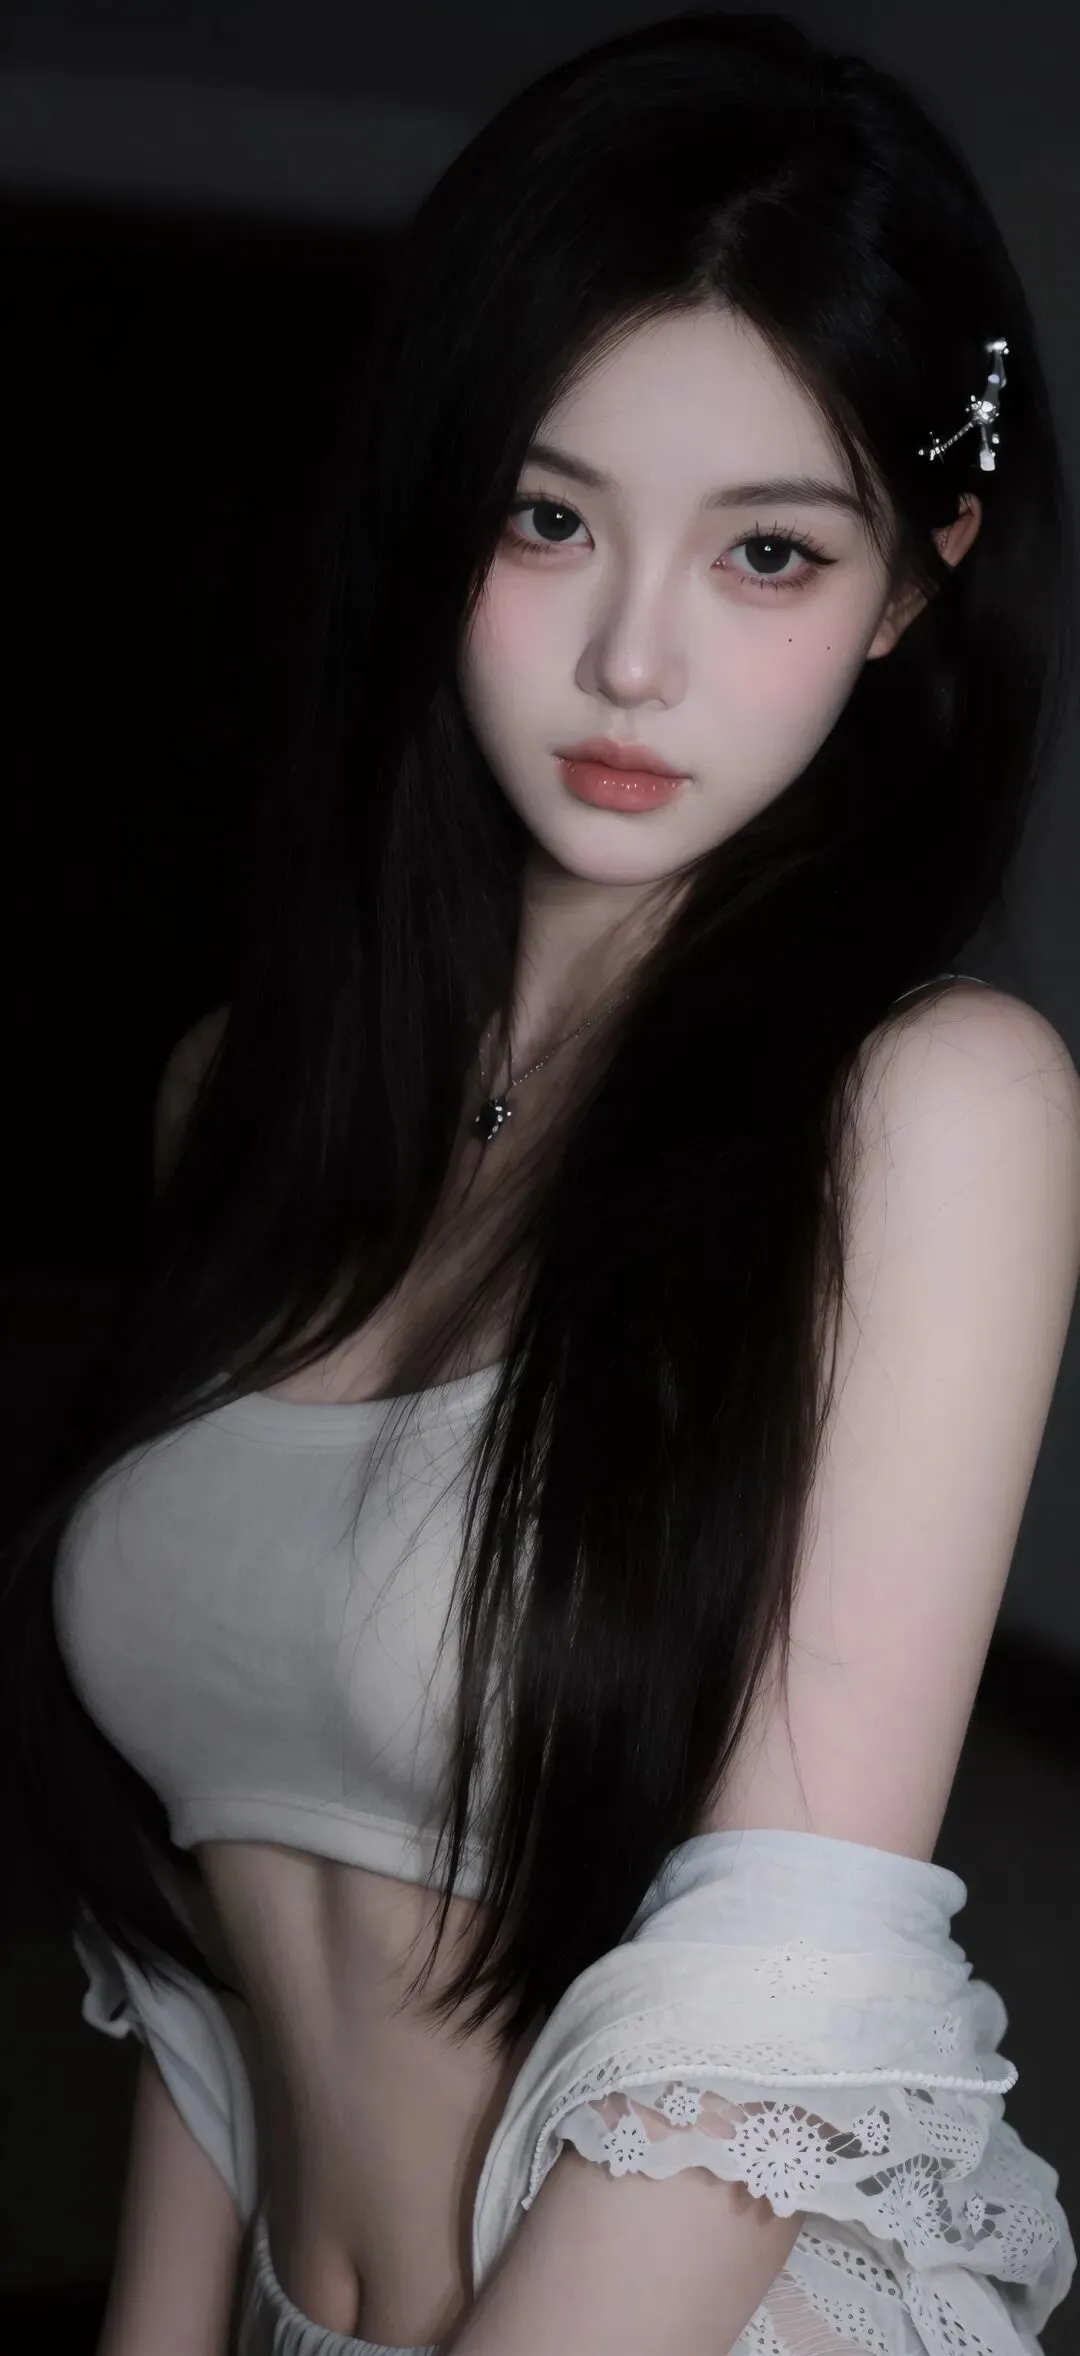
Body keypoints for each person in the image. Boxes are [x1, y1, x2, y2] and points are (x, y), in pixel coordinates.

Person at [3, 10, 1079, 2353]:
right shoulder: (245, 1097)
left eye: (768, 550)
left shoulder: (931, 1106)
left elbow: (778, 2004)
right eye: (546, 514)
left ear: (915, 582)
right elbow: (214, 1937)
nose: (631, 657)